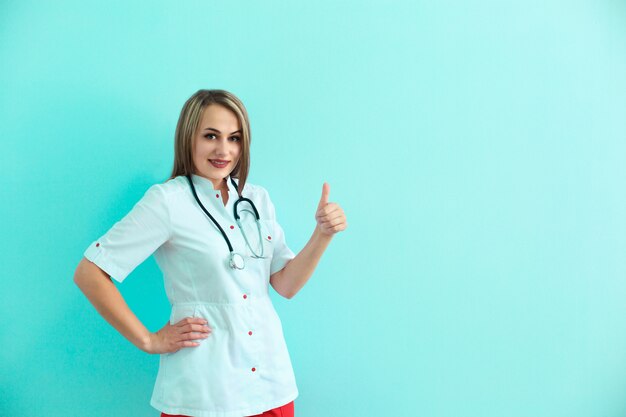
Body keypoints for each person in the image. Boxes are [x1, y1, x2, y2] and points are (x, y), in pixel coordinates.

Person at [73, 89, 348, 417]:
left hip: (269, 381)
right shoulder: (167, 202)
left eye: (234, 138)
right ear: (189, 138)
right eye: (210, 136)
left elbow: (285, 285)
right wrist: (148, 340)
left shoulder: (256, 199)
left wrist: (323, 234)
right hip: (205, 389)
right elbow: (90, 272)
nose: (224, 150)